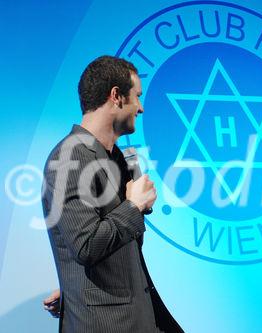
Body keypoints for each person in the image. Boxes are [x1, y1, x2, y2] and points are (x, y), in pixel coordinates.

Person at [42, 56, 183, 332]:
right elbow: (86, 245)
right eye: (137, 97)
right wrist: (133, 206)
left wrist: (76, 287)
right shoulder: (69, 158)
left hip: (138, 317)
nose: (141, 108)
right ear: (116, 96)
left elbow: (111, 250)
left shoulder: (119, 159)